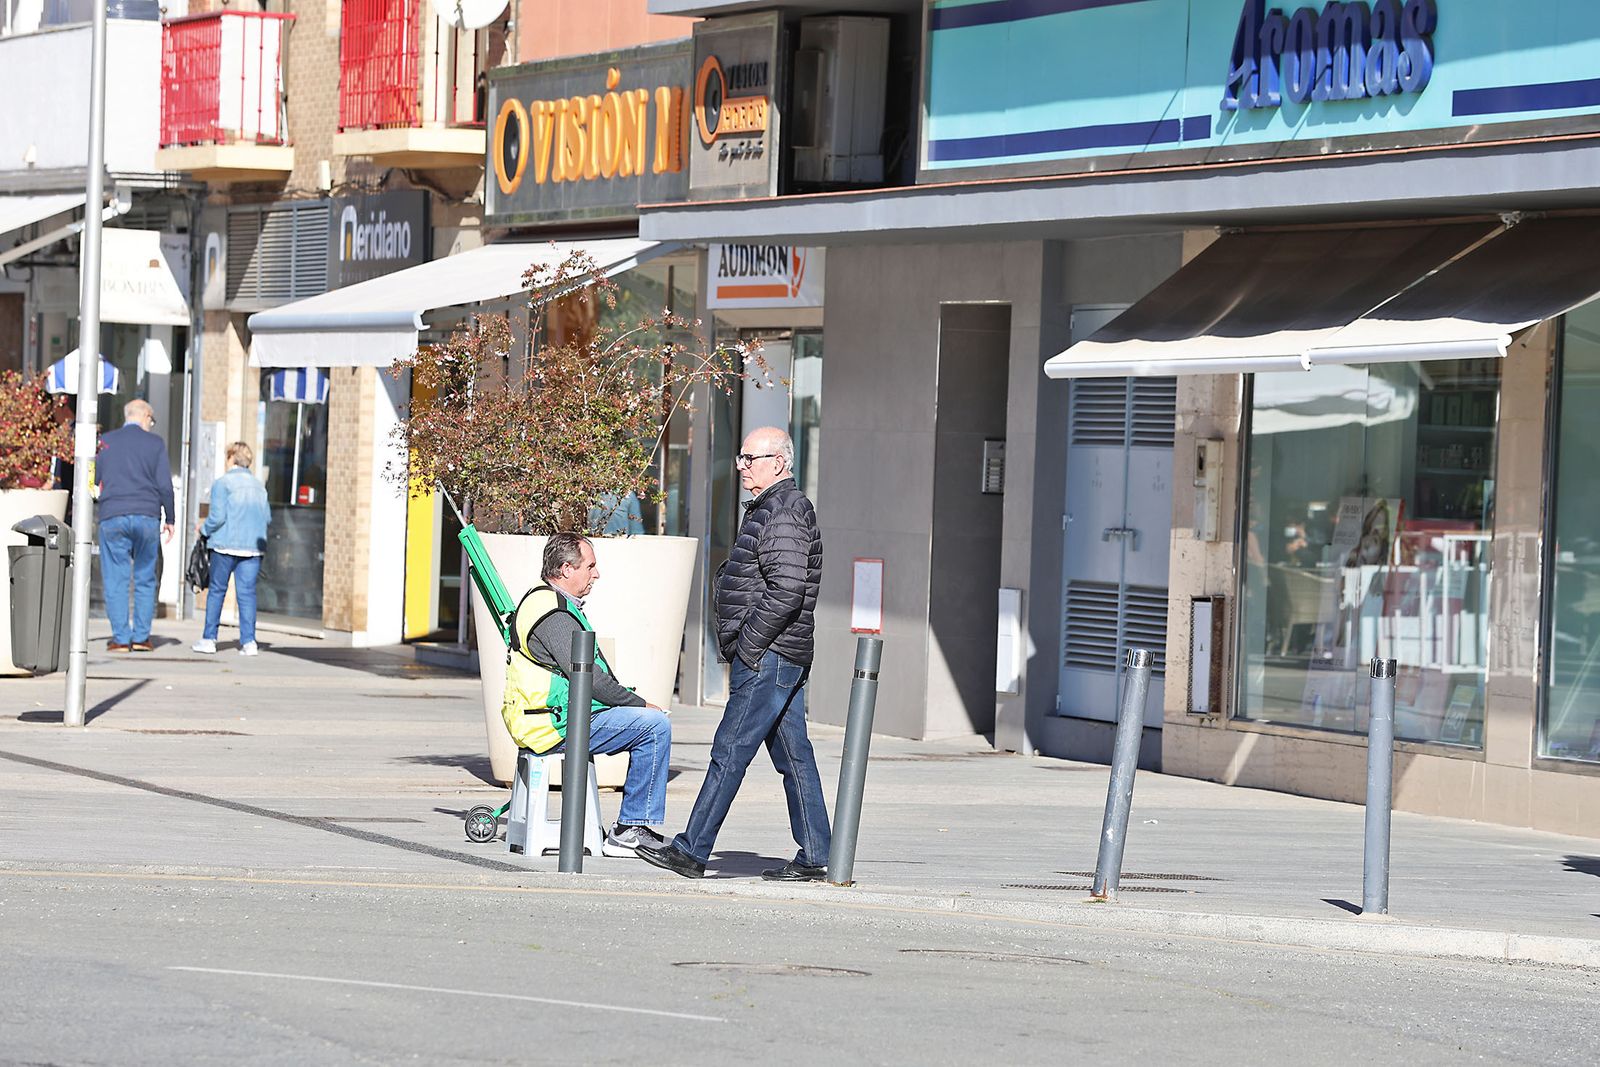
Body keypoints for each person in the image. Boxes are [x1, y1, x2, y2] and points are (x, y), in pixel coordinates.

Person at [638, 426, 830, 881]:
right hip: (778, 654)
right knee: (794, 755)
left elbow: (788, 589)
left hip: (769, 656)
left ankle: (692, 850)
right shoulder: (774, 507)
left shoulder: (783, 511)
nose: (741, 466)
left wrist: (750, 643)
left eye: (750, 458)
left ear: (778, 462)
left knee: (730, 749)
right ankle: (817, 852)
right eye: (741, 457)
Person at [502, 533, 672, 857]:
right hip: (553, 724)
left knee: (648, 720)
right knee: (655, 726)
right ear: (567, 569)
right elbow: (589, 677)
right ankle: (629, 830)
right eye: (590, 566)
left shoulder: (551, 603)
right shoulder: (552, 613)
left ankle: (631, 826)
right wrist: (639, 703)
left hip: (555, 716)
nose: (596, 574)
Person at [95, 398, 175, 653]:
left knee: (116, 578)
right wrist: (170, 518)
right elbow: (164, 484)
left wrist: (95, 500)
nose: (151, 425)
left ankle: (120, 638)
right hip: (146, 515)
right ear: (145, 416)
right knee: (145, 576)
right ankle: (141, 637)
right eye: (151, 420)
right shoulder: (155, 443)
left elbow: (93, 479)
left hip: (112, 514)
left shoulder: (105, 441)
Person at [192, 442, 271, 656]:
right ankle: (249, 642)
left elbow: (217, 517)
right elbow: (268, 517)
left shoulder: (223, 483)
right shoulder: (259, 486)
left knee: (217, 590)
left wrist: (204, 529)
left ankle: (209, 639)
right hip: (252, 549)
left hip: (225, 545)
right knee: (247, 594)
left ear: (231, 458)